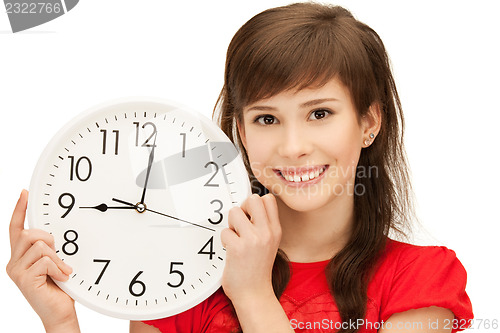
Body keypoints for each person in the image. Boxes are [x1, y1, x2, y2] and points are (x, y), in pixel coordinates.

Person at [7, 2, 473, 333]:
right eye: (266, 119)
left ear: (369, 121)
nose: (293, 147)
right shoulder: (179, 279)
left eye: (320, 113)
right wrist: (61, 323)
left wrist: (252, 295)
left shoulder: (422, 280)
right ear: (242, 134)